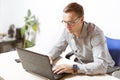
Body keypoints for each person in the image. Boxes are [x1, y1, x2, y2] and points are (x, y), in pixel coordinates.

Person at [48, 2, 115, 75]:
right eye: (65, 22)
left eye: (71, 22)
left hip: (103, 71)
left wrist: (74, 68)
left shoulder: (96, 33)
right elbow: (58, 47)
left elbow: (101, 66)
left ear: (82, 19)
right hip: (82, 67)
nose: (67, 26)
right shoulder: (67, 30)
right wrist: (50, 56)